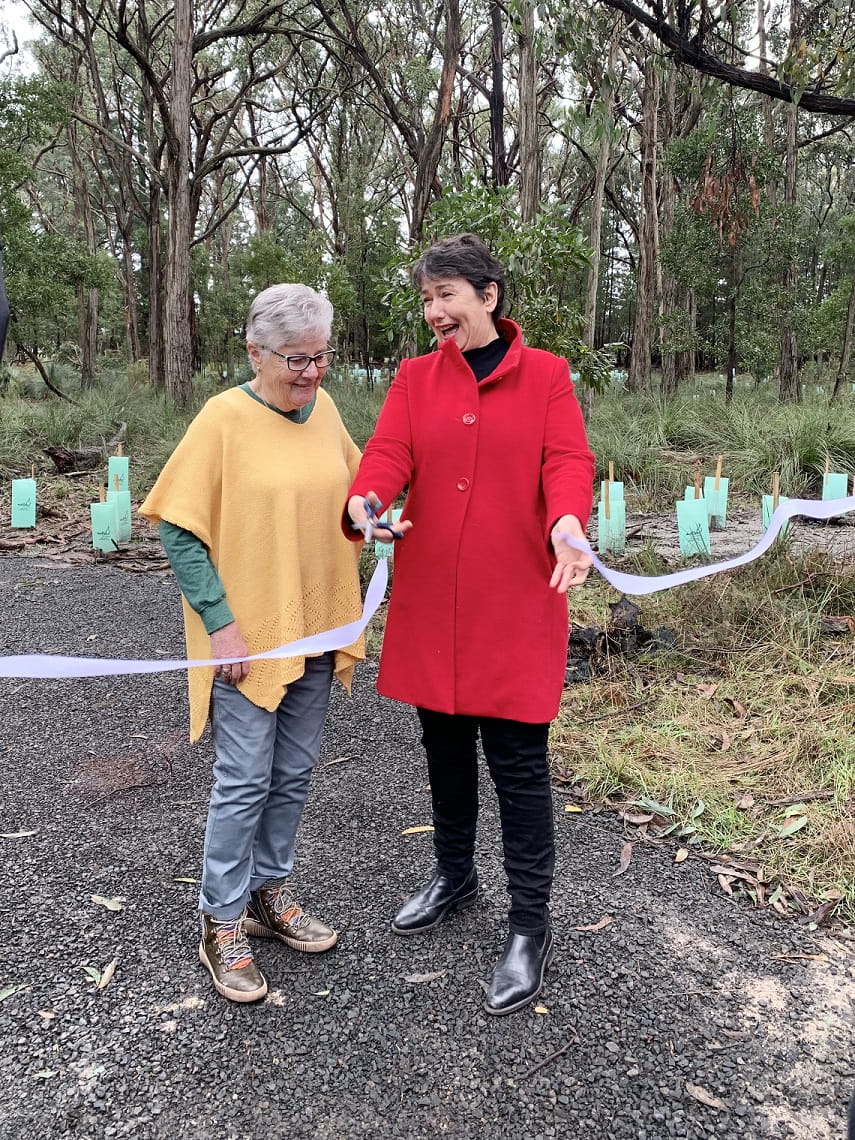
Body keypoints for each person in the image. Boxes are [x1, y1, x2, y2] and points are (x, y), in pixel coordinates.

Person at [345, 233, 595, 1015]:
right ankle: (454, 877)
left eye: (445, 295)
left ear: (487, 296)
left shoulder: (546, 374)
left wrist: (567, 522)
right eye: (426, 299)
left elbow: (567, 461)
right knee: (445, 749)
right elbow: (387, 453)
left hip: (516, 599)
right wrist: (365, 502)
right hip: (434, 602)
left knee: (517, 765)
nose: (433, 312)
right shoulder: (414, 377)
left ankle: (528, 926)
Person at [141, 284, 364, 1003]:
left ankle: (269, 893)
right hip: (247, 640)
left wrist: (373, 517)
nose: (311, 372)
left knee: (292, 773)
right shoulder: (222, 420)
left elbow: (355, 491)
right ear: (255, 353)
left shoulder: (325, 411)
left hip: (317, 628)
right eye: (296, 359)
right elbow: (178, 528)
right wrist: (220, 623)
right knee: (243, 780)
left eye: (321, 356)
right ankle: (221, 919)